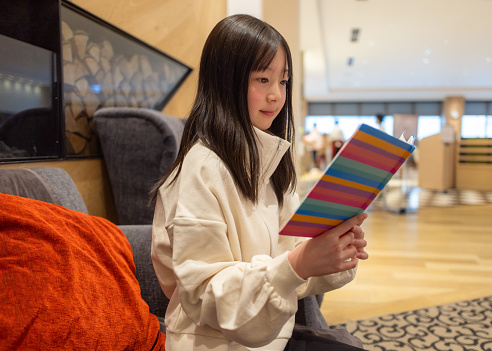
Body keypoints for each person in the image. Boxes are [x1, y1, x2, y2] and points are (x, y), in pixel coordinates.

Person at [150, 14, 368, 351]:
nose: (276, 96)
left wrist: (329, 251)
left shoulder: (270, 163)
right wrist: (298, 263)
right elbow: (205, 293)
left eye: (283, 81)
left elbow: (288, 260)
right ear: (226, 82)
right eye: (263, 79)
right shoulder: (201, 166)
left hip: (271, 337)